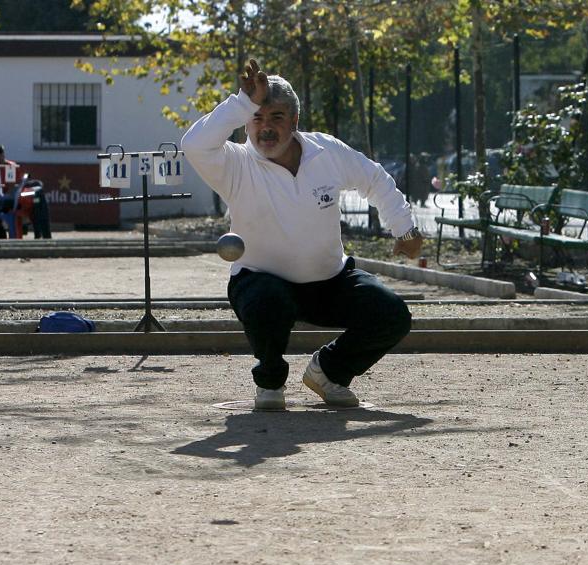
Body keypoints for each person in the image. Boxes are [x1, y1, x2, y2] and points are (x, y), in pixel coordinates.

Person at [180, 59, 423, 411]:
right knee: (268, 300)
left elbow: (374, 179)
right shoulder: (234, 164)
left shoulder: (326, 151)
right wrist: (243, 102)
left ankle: (328, 371)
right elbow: (194, 144)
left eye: (276, 118)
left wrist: (404, 227)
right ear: (246, 123)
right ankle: (270, 383)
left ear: (294, 122)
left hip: (329, 282)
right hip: (261, 282)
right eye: (257, 119)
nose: (265, 129)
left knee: (393, 314)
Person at [0, 143, 52, 239]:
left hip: (14, 199)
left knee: (38, 196)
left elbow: (15, 187)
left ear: (2, 155)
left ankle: (42, 234)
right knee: (38, 197)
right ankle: (44, 235)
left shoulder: (11, 167)